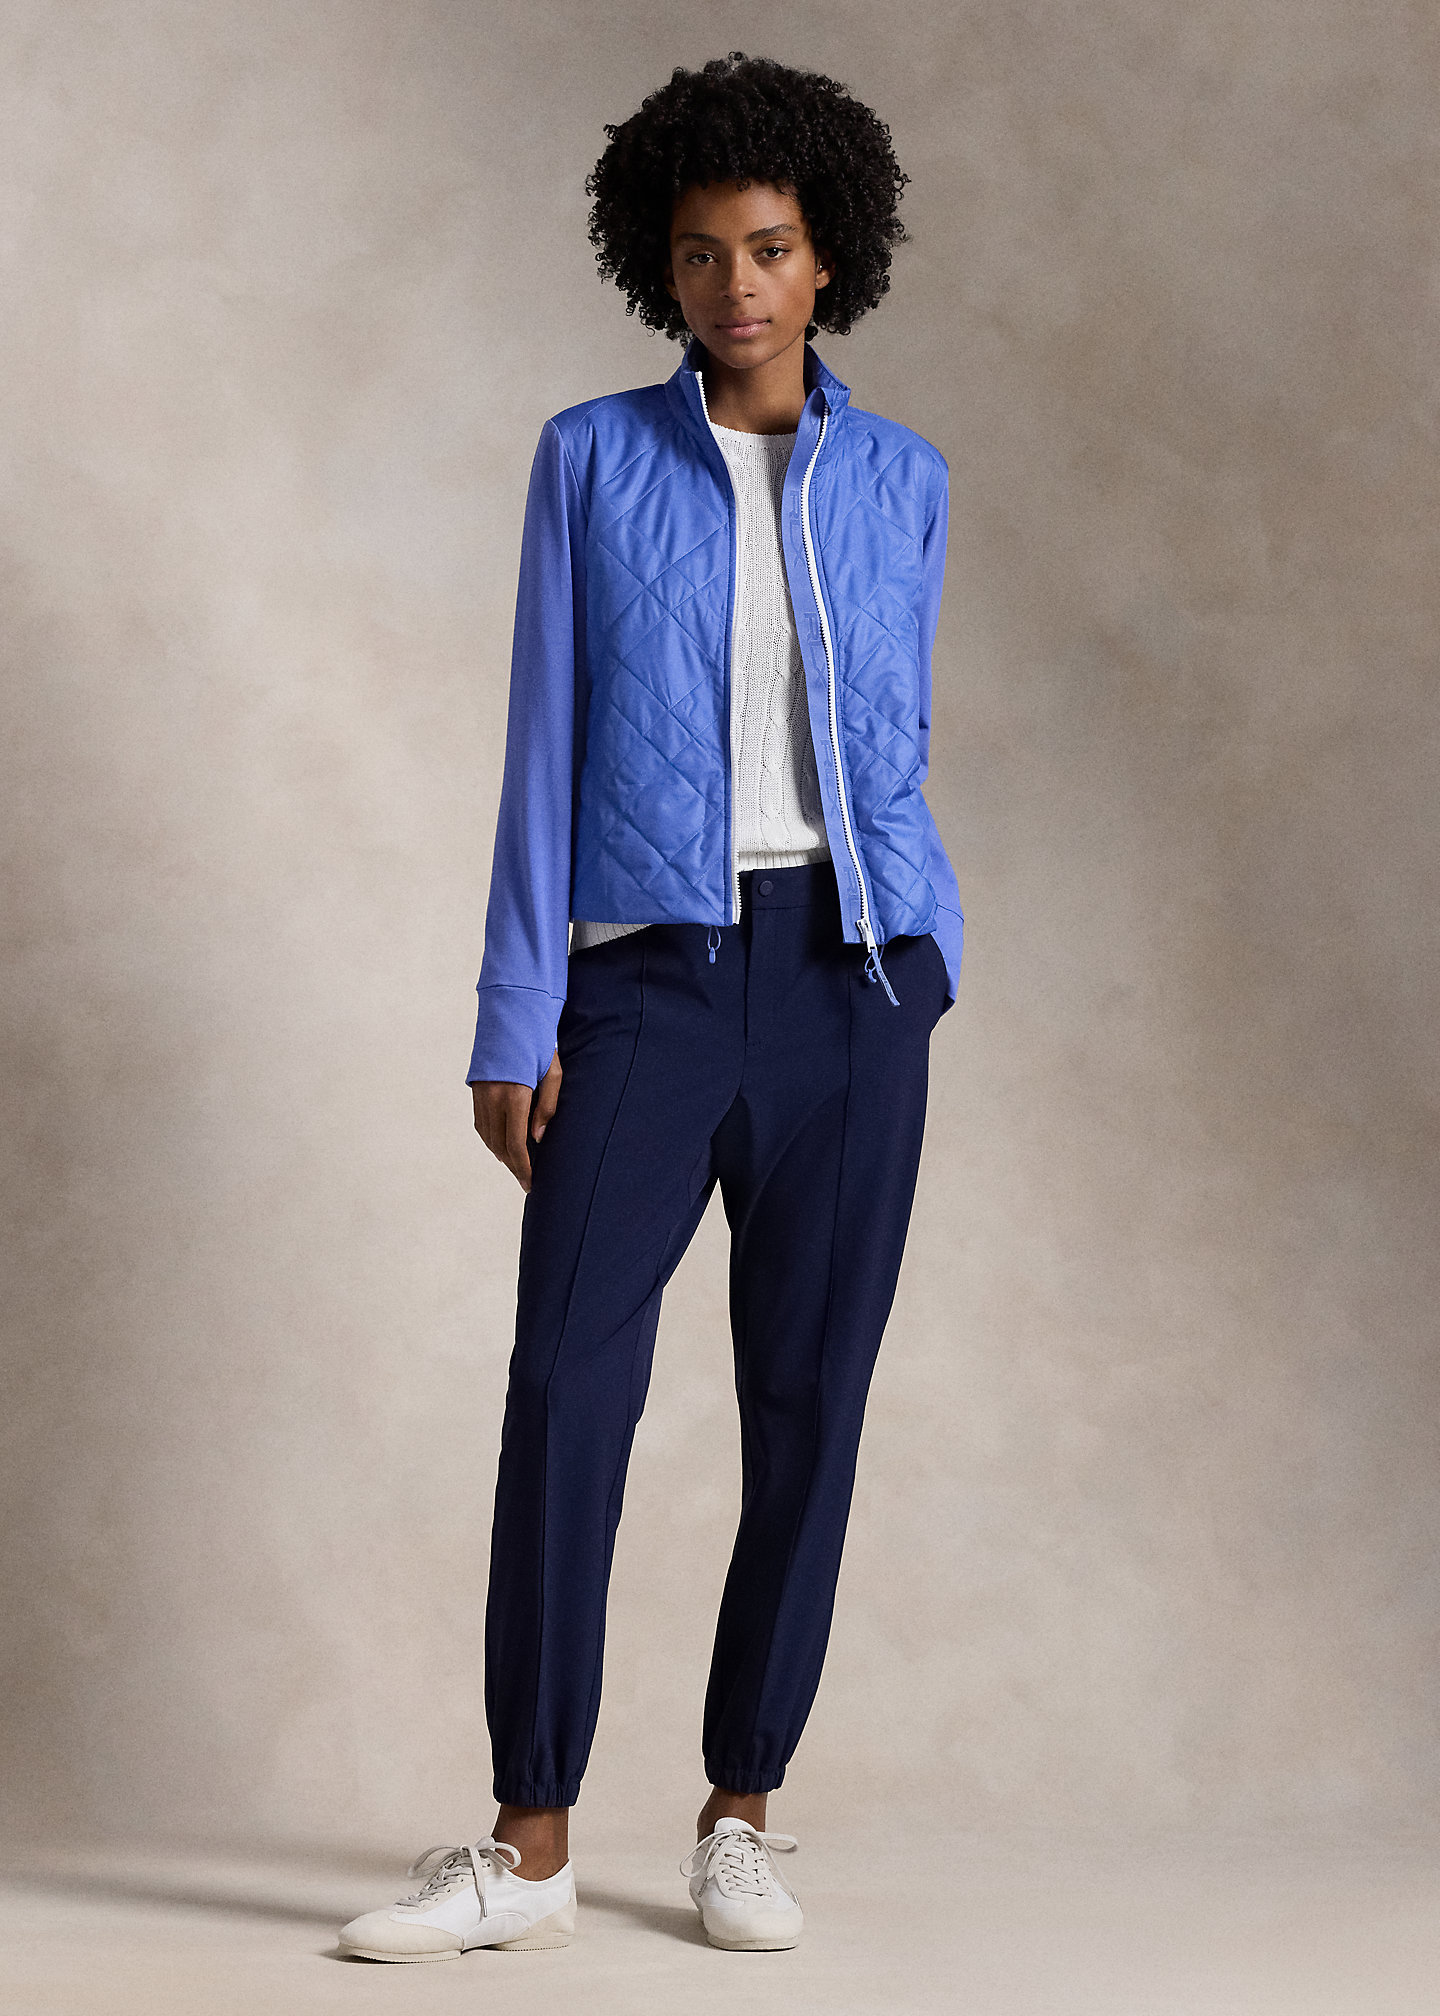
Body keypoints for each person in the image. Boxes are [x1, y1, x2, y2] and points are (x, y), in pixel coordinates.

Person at [338, 49, 963, 1964]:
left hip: (852, 989)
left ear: (829, 256)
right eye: (699, 254)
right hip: (645, 987)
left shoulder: (907, 481)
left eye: (767, 248)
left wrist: (922, 961)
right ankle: (528, 1846)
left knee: (809, 1405)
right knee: (566, 1389)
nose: (735, 286)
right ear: (657, 267)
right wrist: (513, 1007)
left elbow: (891, 742)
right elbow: (542, 745)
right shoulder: (591, 461)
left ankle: (740, 1812)